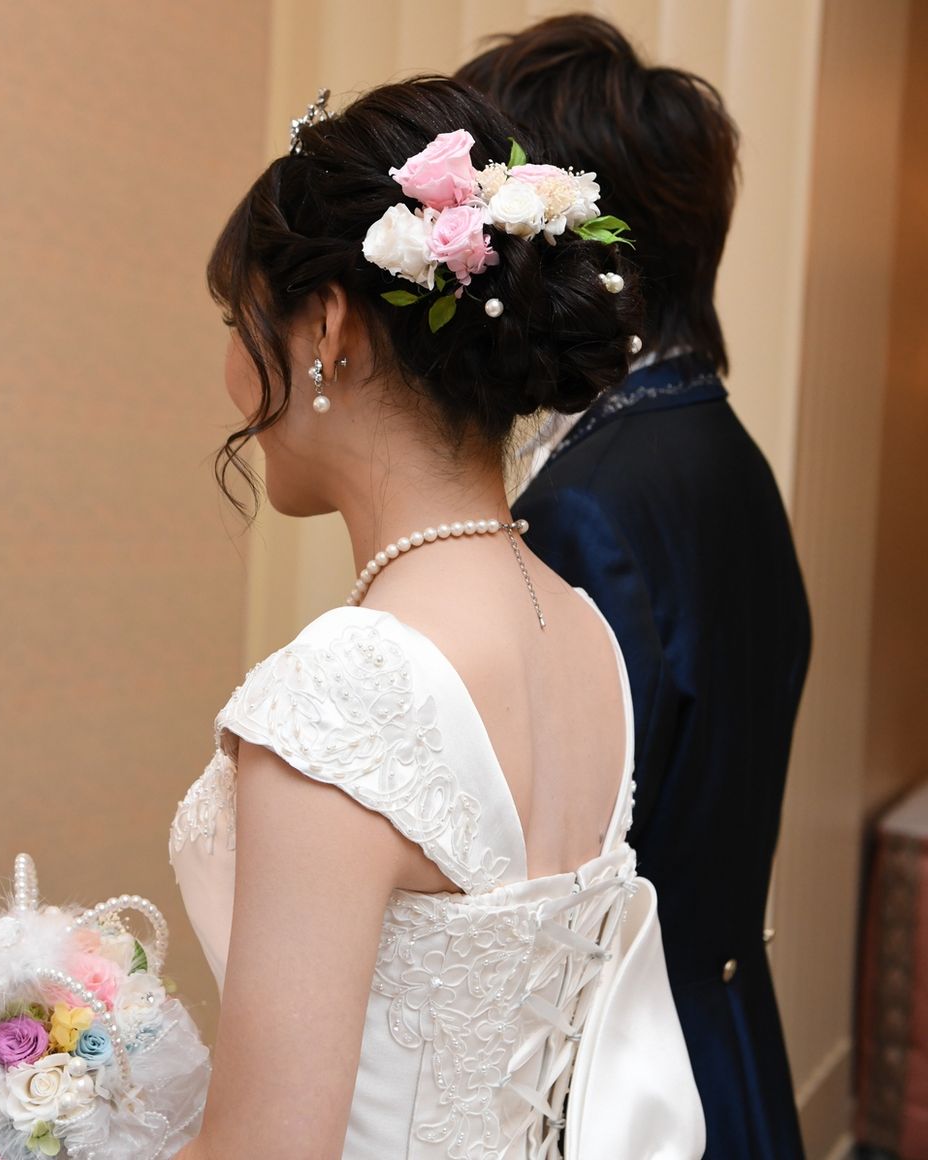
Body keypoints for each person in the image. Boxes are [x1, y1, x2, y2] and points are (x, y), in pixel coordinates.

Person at [168, 78, 697, 1158]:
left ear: (327, 327)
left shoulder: (347, 689)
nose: (231, 373)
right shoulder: (583, 631)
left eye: (237, 322)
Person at [457, 17, 811, 1157]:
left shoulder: (590, 507)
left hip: (634, 1087)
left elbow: (561, 886)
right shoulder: (722, 452)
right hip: (728, 1043)